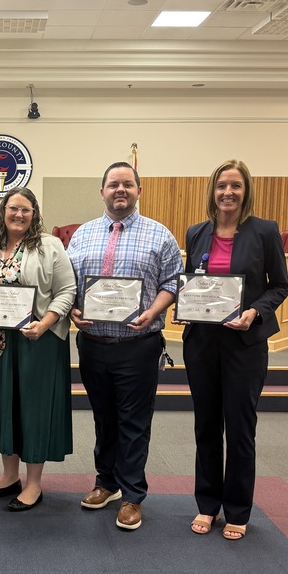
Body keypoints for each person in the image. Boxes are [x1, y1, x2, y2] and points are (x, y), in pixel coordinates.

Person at [67, 161, 183, 531]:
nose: (120, 190)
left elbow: (173, 281)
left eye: (128, 184)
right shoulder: (82, 235)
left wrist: (153, 311)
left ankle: (133, 495)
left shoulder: (160, 235)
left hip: (138, 343)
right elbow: (67, 284)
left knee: (134, 422)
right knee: (104, 418)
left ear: (138, 191)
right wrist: (71, 310)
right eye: (113, 184)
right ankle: (106, 483)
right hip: (94, 343)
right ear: (101, 191)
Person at [181, 158, 288, 540]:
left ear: (246, 192)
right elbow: (193, 283)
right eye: (221, 186)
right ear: (212, 191)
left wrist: (254, 313)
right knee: (206, 427)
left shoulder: (264, 231)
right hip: (202, 345)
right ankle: (207, 505)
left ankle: (238, 509)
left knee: (240, 429)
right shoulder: (196, 233)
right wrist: (186, 305)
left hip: (244, 344)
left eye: (235, 186)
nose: (228, 192)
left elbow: (280, 285)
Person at [0, 186, 77, 511]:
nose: (19, 214)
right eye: (13, 208)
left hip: (36, 342)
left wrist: (45, 323)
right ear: (4, 211)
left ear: (34, 213)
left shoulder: (50, 246)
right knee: (4, 405)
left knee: (33, 408)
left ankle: (34, 484)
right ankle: (9, 475)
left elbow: (67, 291)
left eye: (25, 209)